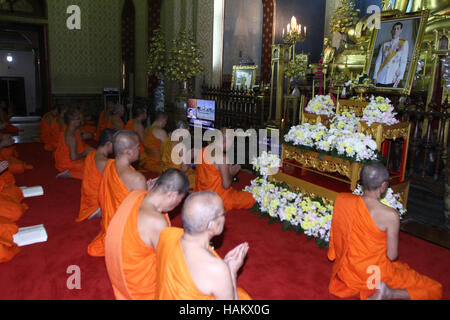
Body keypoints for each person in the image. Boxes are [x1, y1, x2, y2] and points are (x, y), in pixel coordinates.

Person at [328, 162, 443, 300]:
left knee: (401, 268)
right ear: (383, 186)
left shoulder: (343, 200)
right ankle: (391, 294)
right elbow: (392, 255)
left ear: (362, 182)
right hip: (374, 275)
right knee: (435, 289)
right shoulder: (390, 215)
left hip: (347, 272)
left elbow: (338, 237)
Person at [105, 168, 189, 300]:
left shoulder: (135, 194)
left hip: (118, 279)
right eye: (180, 200)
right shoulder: (156, 221)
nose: (178, 205)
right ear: (172, 195)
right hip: (138, 290)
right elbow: (167, 264)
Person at [155, 191, 252, 300]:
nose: (225, 216)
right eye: (223, 213)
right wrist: (231, 273)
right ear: (212, 225)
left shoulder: (167, 234)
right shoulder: (216, 269)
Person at [87, 130, 154, 257]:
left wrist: (145, 188)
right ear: (128, 152)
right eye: (138, 146)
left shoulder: (109, 165)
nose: (140, 149)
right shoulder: (136, 178)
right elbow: (143, 211)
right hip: (125, 230)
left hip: (110, 223)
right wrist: (150, 190)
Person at [194, 128, 255, 212]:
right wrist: (233, 172)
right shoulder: (222, 158)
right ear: (225, 140)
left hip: (200, 193)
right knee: (252, 197)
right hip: (217, 197)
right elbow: (226, 185)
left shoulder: (202, 150)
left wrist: (227, 169)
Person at [77, 128, 116, 222]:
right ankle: (97, 211)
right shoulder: (105, 162)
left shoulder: (91, 154)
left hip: (88, 200)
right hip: (97, 203)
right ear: (108, 144)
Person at [54, 109, 94, 179]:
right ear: (72, 122)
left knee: (94, 153)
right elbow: (73, 157)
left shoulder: (71, 130)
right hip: (68, 164)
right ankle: (70, 173)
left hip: (64, 160)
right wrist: (85, 153)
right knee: (93, 171)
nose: (80, 120)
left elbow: (81, 136)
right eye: (78, 119)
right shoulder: (71, 137)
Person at [160, 120, 196, 189]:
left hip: (164, 172)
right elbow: (184, 168)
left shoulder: (166, 140)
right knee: (198, 177)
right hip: (177, 176)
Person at [373, 22, 409, 88]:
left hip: (393, 77)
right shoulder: (385, 44)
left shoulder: (403, 43)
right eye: (394, 29)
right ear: (391, 31)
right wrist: (375, 76)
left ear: (401, 31)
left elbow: (403, 61)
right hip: (381, 77)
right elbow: (378, 61)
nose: (395, 31)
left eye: (398, 29)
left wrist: (400, 77)